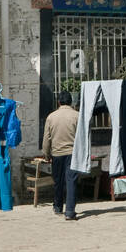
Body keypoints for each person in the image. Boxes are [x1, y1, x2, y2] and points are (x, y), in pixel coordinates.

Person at [40, 90, 80, 220]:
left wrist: (46, 154)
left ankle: (57, 207)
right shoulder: (77, 116)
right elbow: (83, 137)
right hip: (72, 154)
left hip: (56, 154)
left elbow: (47, 138)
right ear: (71, 102)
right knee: (71, 182)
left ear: (58, 102)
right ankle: (69, 212)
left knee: (58, 181)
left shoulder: (51, 117)